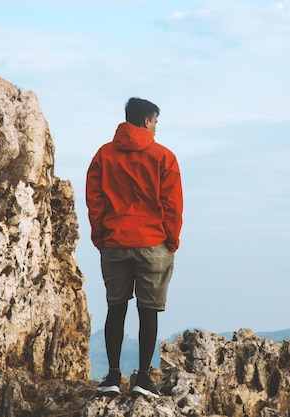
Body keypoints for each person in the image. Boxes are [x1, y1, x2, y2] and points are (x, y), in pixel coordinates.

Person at [85, 97, 183, 398]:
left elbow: (94, 199)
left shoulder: (104, 155)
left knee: (116, 307)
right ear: (146, 121)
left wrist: (101, 235)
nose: (156, 128)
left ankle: (113, 377)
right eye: (155, 122)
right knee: (148, 310)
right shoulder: (163, 157)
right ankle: (142, 378)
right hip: (153, 243)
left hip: (114, 242)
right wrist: (171, 240)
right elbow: (172, 204)